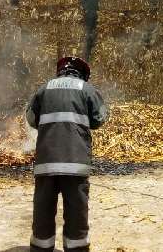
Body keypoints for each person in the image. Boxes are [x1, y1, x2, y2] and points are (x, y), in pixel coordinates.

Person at [25, 56, 108, 252]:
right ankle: (76, 248)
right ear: (82, 73)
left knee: (43, 209)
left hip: (46, 163)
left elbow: (31, 118)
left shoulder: (43, 89)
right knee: (76, 210)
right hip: (75, 164)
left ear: (60, 70)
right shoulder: (87, 90)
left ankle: (41, 247)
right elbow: (99, 119)